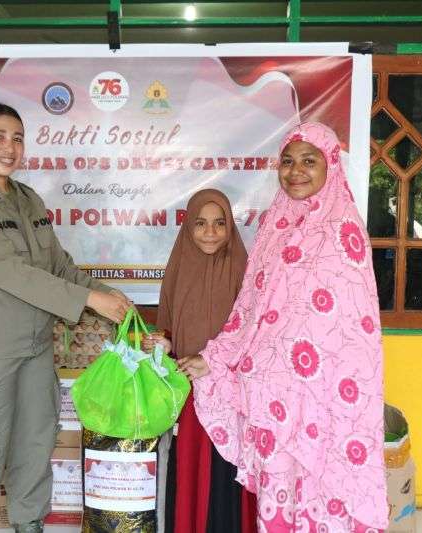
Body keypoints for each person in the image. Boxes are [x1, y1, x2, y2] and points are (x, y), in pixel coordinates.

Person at [178, 123, 388, 532]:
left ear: (330, 165)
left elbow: (352, 330)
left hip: (324, 397)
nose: (296, 172)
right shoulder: (273, 228)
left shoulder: (342, 231)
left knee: (321, 489)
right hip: (275, 394)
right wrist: (216, 358)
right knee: (279, 496)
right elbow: (251, 310)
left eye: (309, 161)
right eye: (288, 162)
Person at [0, 101, 130, 533]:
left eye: (18, 138)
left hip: (35, 348)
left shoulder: (28, 200)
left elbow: (57, 265)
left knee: (34, 447)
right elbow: (9, 271)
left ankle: (29, 525)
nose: (9, 148)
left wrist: (103, 292)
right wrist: (89, 300)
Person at [142, 189, 256, 533]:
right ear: (188, 227)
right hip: (189, 394)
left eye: (219, 223)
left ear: (230, 227)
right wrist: (164, 344)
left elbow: (254, 334)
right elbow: (171, 330)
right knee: (191, 473)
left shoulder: (245, 272)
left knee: (226, 475)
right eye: (200, 223)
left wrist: (216, 363)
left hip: (232, 399)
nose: (210, 232)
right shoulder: (178, 269)